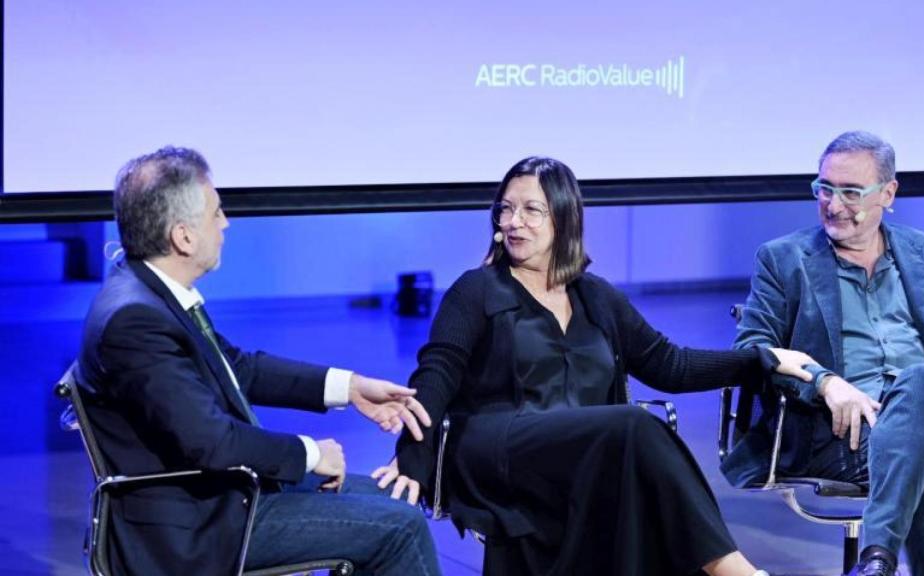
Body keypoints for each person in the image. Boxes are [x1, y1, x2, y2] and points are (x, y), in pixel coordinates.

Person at [375, 156, 815, 576]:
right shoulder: (475, 290)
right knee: (634, 426)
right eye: (505, 210)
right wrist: (413, 453)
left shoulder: (596, 296)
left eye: (531, 210)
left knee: (631, 444)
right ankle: (733, 570)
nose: (513, 222)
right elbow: (437, 373)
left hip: (581, 455)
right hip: (498, 446)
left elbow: (669, 365)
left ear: (563, 219)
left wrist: (760, 360)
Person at [76, 146, 442, 575]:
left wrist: (351, 386)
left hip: (219, 497)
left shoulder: (148, 293)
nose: (226, 223)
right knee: (400, 528)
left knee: (394, 501)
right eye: (216, 213)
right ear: (184, 236)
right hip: (197, 526)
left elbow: (239, 367)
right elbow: (209, 441)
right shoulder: (135, 320)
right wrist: (309, 453)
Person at [721, 131, 924, 576]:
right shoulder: (783, 259)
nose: (833, 204)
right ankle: (884, 559)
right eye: (824, 188)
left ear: (888, 194)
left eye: (850, 192)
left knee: (922, 382)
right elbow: (753, 349)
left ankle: (876, 561)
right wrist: (823, 382)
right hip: (839, 432)